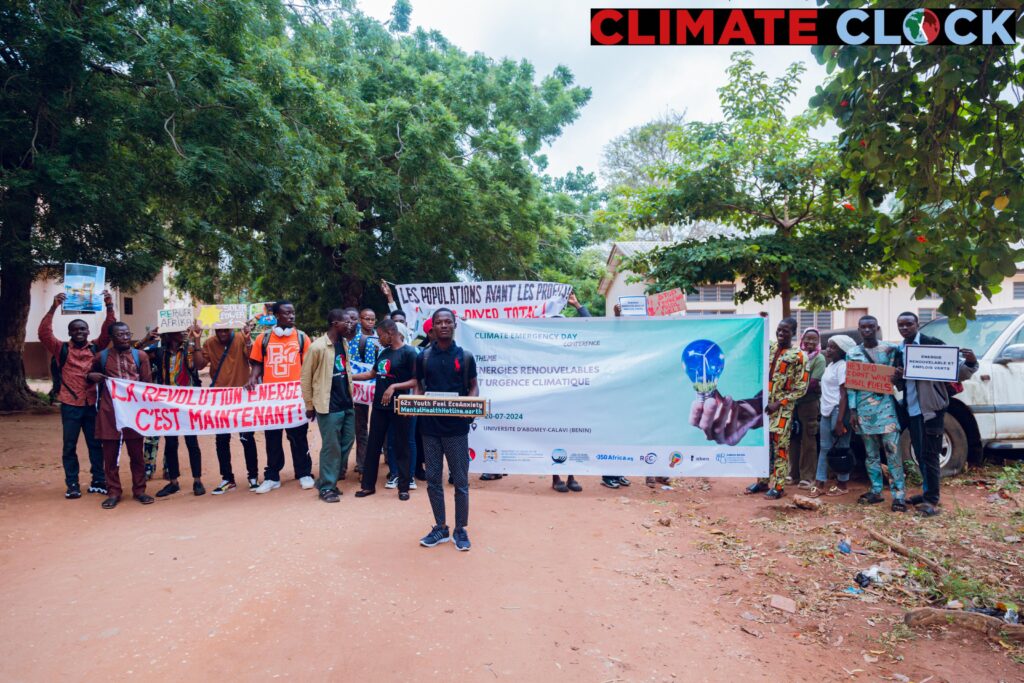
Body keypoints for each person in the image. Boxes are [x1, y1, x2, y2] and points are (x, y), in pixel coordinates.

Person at [893, 312, 978, 517]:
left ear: (917, 325)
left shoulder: (934, 344)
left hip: (932, 409)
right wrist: (897, 378)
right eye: (901, 325)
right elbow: (901, 383)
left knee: (931, 454)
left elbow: (958, 372)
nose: (905, 328)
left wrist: (971, 363)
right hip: (912, 409)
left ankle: (932, 500)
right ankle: (927, 492)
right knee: (921, 454)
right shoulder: (900, 350)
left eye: (909, 324)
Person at [39, 290, 116, 499]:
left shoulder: (95, 347)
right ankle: (72, 484)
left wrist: (109, 305)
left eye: (83, 329)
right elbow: (44, 333)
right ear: (70, 332)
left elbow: (109, 331)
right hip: (70, 404)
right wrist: (54, 307)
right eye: (75, 330)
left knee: (95, 444)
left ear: (88, 330)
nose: (79, 332)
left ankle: (98, 480)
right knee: (69, 446)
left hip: (92, 404)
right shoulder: (60, 349)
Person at [416, 308, 479, 551]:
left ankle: (460, 529)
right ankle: (440, 527)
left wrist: (470, 406)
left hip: (456, 429)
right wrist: (416, 405)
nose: (443, 325)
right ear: (433, 326)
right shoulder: (423, 357)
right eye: (439, 322)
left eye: (447, 322)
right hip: (429, 428)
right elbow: (419, 387)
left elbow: (473, 387)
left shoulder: (465, 357)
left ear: (455, 325)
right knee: (433, 479)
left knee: (460, 481)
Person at [246, 300, 313, 493]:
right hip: (272, 398)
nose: (291, 316)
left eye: (293, 313)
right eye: (287, 313)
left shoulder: (302, 338)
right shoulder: (264, 339)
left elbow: (308, 367)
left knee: (298, 436)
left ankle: (304, 473)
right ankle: (272, 476)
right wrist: (252, 377)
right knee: (272, 437)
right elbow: (257, 363)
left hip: (295, 397)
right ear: (276, 316)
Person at [86, 321, 155, 508]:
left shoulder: (140, 356)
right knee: (110, 456)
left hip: (133, 415)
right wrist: (91, 377)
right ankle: (113, 491)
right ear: (111, 337)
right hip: (110, 413)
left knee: (136, 455)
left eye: (127, 333)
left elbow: (147, 385)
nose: (125, 337)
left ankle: (140, 490)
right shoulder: (101, 357)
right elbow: (89, 377)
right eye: (120, 335)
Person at [352, 319, 418, 500]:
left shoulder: (409, 353)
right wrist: (349, 377)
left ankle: (403, 487)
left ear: (390, 332)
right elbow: (372, 374)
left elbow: (416, 380)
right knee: (373, 445)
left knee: (402, 446)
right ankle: (367, 486)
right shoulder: (384, 353)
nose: (378, 339)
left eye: (380, 335)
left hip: (400, 407)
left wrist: (394, 386)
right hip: (380, 407)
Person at [847, 315, 906, 511]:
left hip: (886, 409)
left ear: (877, 328)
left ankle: (899, 495)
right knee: (871, 454)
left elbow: (905, 362)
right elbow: (851, 386)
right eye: (863, 327)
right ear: (859, 328)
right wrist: (852, 410)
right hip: (863, 410)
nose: (867, 330)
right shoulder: (852, 353)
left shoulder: (890, 349)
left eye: (870, 327)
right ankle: (876, 490)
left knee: (893, 453)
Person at [193, 322, 259, 494]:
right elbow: (199, 366)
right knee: (222, 440)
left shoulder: (240, 338)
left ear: (232, 328)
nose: (222, 333)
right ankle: (227, 479)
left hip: (241, 396)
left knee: (247, 437)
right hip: (220, 398)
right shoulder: (209, 343)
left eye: (226, 329)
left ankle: (253, 476)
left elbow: (253, 360)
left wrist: (248, 340)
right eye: (219, 330)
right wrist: (197, 341)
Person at [746, 317, 807, 499]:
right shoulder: (770, 348)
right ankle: (762, 481)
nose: (781, 334)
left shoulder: (799, 356)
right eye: (779, 330)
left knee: (780, 448)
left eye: (785, 331)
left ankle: (779, 486)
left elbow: (801, 387)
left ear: (794, 333)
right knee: (764, 447)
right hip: (763, 409)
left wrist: (779, 403)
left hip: (781, 410)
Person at [301, 309, 357, 503]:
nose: (350, 325)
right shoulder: (317, 347)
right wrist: (309, 404)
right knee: (331, 447)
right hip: (328, 406)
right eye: (346, 322)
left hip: (346, 402)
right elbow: (306, 377)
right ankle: (326, 487)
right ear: (335, 323)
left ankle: (327, 478)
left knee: (347, 441)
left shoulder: (344, 343)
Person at [146, 328, 206, 497]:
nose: (184, 333)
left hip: (188, 404)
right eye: (179, 331)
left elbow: (200, 365)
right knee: (171, 444)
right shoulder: (159, 352)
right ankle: (173, 482)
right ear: (169, 334)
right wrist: (146, 339)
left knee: (192, 442)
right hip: (168, 405)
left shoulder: (188, 350)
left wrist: (196, 340)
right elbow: (135, 353)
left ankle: (197, 480)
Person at [809, 335, 856, 497]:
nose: (828, 349)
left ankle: (842, 484)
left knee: (842, 447)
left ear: (843, 351)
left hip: (838, 411)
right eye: (828, 346)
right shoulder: (830, 366)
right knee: (825, 447)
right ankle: (819, 483)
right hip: (826, 410)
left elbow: (844, 394)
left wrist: (840, 421)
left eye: (833, 347)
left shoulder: (843, 366)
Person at [790, 328, 826, 489]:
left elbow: (812, 383)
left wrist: (791, 387)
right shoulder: (796, 355)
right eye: (808, 338)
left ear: (818, 342)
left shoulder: (819, 359)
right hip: (792, 404)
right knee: (793, 438)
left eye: (814, 339)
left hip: (809, 404)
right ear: (802, 339)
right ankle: (792, 474)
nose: (810, 342)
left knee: (808, 439)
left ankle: (807, 477)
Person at [602, 301, 631, 490]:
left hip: (625, 400)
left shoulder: (628, 354)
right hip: (608, 400)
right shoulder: (607, 353)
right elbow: (615, 335)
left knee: (623, 436)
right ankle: (608, 475)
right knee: (611, 436)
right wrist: (617, 318)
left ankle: (619, 471)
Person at [350, 307, 380, 476]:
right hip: (360, 389)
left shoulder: (379, 338)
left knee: (378, 425)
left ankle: (378, 461)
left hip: (377, 388)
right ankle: (362, 464)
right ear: (360, 320)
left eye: (372, 319)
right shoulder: (354, 339)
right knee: (360, 426)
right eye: (366, 318)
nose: (370, 321)